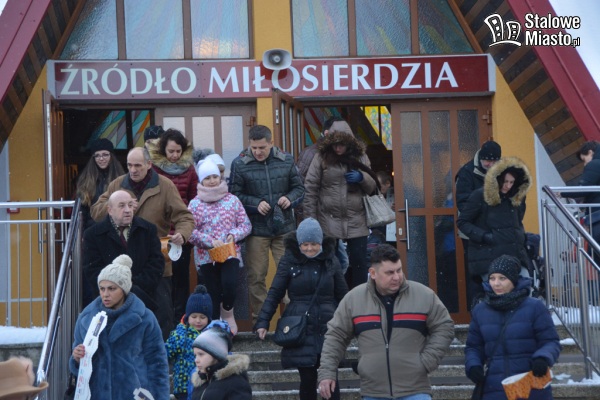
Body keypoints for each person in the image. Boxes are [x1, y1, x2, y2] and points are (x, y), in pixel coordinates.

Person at [317, 244, 454, 400]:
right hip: (373, 392)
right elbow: (336, 336)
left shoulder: (424, 295)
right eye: (389, 272)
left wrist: (426, 361)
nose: (396, 277)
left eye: (399, 270)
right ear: (373, 273)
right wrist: (327, 372)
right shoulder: (353, 299)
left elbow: (444, 326)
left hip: (416, 390)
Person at [91, 146, 195, 340]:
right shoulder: (117, 184)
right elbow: (96, 212)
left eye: (138, 165)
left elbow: (185, 217)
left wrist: (182, 234)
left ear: (149, 164)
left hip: (156, 265)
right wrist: (119, 204)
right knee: (123, 322)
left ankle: (161, 356)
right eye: (129, 165)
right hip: (121, 264)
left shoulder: (165, 186)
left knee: (160, 319)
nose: (133, 170)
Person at [254, 218, 348, 400]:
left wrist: (354, 321)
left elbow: (343, 295)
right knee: (307, 378)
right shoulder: (289, 260)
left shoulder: (331, 260)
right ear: (299, 244)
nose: (309, 249)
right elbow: (275, 292)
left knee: (331, 378)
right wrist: (263, 321)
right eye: (305, 244)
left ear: (320, 242)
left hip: (327, 326)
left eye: (314, 244)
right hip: (301, 327)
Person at [228, 124, 305, 323]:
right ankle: (261, 322)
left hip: (285, 228)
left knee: (291, 273)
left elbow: (300, 189)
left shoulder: (286, 160)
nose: (257, 152)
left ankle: (292, 321)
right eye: (253, 147)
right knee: (256, 277)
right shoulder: (239, 164)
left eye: (262, 147)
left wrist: (289, 199)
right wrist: (255, 204)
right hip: (256, 230)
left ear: (271, 143)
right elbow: (234, 195)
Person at [70, 255, 169, 399]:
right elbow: (78, 366)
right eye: (102, 289)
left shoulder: (145, 318)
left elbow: (157, 364)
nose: (105, 294)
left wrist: (160, 397)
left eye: (112, 289)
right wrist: (76, 358)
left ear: (124, 289)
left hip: (134, 394)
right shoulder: (87, 318)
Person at [465, 255, 561, 400]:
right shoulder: (481, 311)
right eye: (492, 278)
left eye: (502, 278)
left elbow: (550, 341)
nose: (496, 283)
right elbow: (473, 347)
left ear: (513, 280)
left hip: (530, 384)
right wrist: (473, 365)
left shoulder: (534, 307)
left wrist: (543, 358)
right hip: (494, 387)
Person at [303, 124, 378, 288]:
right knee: (330, 263)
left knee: (359, 262)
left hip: (356, 218)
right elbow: (310, 189)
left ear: (349, 143)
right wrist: (311, 221)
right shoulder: (321, 158)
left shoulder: (361, 157)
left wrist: (361, 177)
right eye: (335, 144)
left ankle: (358, 297)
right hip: (328, 219)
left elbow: (373, 187)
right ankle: (334, 298)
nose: (337, 149)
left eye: (341, 145)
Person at [188, 159, 251, 334]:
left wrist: (234, 235)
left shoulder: (232, 200)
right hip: (206, 257)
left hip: (229, 253)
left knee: (230, 285)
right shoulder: (194, 204)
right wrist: (209, 241)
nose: (212, 181)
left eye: (215, 176)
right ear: (201, 180)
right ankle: (215, 326)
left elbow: (246, 225)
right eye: (207, 178)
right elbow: (190, 231)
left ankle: (228, 313)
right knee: (213, 292)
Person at [457, 156, 532, 304]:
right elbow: (463, 222)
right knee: (499, 299)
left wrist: (521, 239)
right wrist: (485, 236)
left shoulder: (516, 198)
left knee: (525, 293)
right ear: (497, 179)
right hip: (488, 256)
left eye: (512, 182)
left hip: (515, 255)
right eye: (505, 181)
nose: (508, 186)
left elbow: (518, 222)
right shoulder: (480, 195)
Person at [148, 128, 199, 325]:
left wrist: (185, 228)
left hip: (180, 234)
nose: (175, 155)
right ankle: (162, 321)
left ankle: (180, 321)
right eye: (171, 151)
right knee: (161, 279)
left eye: (178, 151)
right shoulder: (153, 169)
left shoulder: (190, 170)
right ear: (163, 150)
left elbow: (194, 199)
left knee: (181, 279)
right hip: (159, 233)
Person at [82, 190, 164, 311]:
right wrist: (115, 289)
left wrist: (131, 287)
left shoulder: (148, 230)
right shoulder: (93, 235)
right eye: (121, 206)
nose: (127, 210)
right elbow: (92, 270)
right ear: (110, 210)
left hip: (143, 301)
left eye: (130, 205)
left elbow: (156, 265)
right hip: (107, 304)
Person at [296, 116, 350, 274]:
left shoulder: (340, 153)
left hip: (333, 218)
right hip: (320, 219)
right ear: (327, 133)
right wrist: (309, 220)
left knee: (340, 262)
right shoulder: (312, 154)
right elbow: (303, 188)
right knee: (331, 263)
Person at [455, 140, 502, 309]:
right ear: (480, 157)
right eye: (487, 160)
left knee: (498, 271)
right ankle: (478, 311)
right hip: (472, 233)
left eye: (494, 161)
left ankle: (497, 307)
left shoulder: (504, 172)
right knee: (476, 273)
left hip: (496, 231)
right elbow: (463, 204)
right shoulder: (466, 173)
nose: (490, 164)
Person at [165, 285, 213, 400]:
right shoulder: (178, 335)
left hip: (206, 385)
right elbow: (164, 353)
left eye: (202, 317)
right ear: (187, 317)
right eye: (194, 316)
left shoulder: (212, 336)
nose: (198, 320)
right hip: (183, 387)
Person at [189, 326, 252, 399]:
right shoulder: (201, 381)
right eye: (195, 355)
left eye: (201, 354)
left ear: (216, 354)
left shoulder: (236, 383)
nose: (196, 360)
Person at [75, 138, 125, 230]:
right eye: (97, 155)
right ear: (93, 158)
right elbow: (82, 212)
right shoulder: (86, 181)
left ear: (111, 156)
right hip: (93, 230)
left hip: (116, 229)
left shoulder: (121, 179)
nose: (101, 158)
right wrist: (83, 233)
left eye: (105, 154)